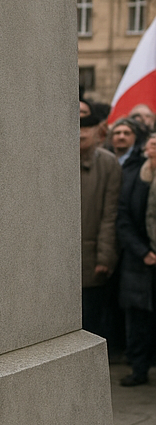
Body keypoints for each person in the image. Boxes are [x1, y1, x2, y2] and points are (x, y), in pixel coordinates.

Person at [81, 100, 122, 336]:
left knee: (91, 324)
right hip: (58, 261)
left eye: (87, 127)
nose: (81, 133)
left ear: (97, 131)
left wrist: (105, 256)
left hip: (92, 257)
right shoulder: (55, 160)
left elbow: (110, 213)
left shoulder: (107, 163)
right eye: (77, 126)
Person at [119, 135, 156, 386]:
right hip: (139, 261)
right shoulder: (134, 176)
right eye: (152, 143)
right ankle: (139, 369)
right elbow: (123, 218)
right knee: (139, 320)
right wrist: (143, 251)